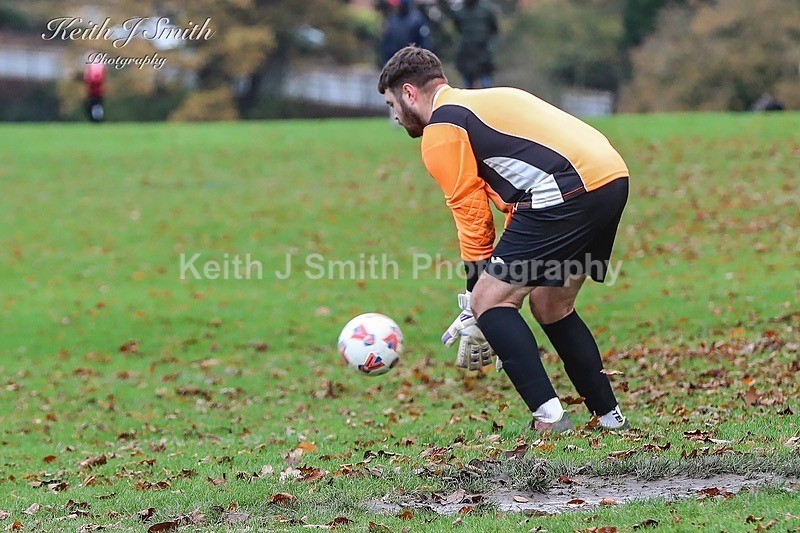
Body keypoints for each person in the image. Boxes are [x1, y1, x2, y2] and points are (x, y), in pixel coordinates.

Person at [378, 46, 630, 432]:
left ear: (409, 93)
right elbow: (520, 196)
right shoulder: (491, 100)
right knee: (551, 304)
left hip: (567, 191)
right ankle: (610, 418)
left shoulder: (441, 130)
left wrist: (476, 299)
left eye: (392, 104)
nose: (395, 117)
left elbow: (471, 212)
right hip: (610, 178)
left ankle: (550, 419)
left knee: (491, 301)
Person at [439, 0, 498, 88]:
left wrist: (490, 47)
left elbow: (494, 30)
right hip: (466, 54)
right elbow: (456, 27)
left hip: (483, 53)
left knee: (486, 85)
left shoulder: (486, 9)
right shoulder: (460, 11)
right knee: (467, 86)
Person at [380, 0, 431, 66]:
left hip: (412, 63)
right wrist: (385, 62)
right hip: (394, 63)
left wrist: (422, 62)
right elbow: (387, 43)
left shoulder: (417, 19)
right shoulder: (392, 19)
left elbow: (424, 43)